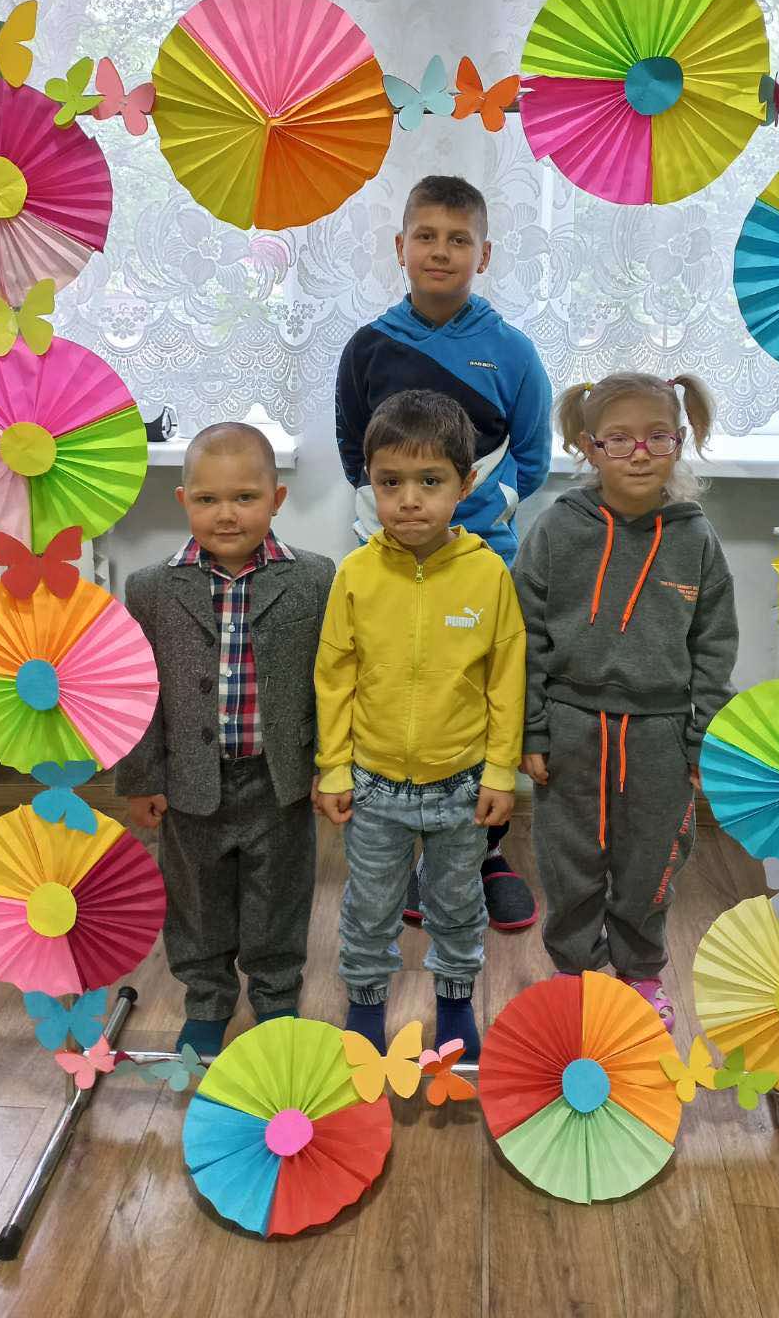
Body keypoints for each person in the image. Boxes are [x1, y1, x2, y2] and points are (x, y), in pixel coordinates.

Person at [334, 174, 550, 932]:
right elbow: (354, 454)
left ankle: (481, 851)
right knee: (396, 690)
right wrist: (399, 519)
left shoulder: (512, 352)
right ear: (400, 246)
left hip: (482, 558)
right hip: (387, 560)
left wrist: (476, 517)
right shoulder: (367, 348)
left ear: (483, 255)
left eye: (459, 239)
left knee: (476, 694)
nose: (440, 251)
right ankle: (396, 845)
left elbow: (533, 457)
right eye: (425, 236)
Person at [513, 373, 738, 1029]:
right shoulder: (557, 529)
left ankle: (640, 974)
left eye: (657, 437)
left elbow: (714, 644)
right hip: (570, 727)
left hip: (661, 736)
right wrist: (532, 729)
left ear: (680, 441)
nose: (640, 453)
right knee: (570, 863)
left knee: (651, 864)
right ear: (590, 448)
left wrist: (702, 738)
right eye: (619, 439)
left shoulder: (696, 538)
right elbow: (524, 634)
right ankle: (575, 973)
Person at [314, 390, 527, 1059]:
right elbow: (334, 677)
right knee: (369, 907)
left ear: (466, 484)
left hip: (462, 786)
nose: (409, 500)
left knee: (457, 905)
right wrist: (333, 767)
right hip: (373, 786)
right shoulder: (355, 575)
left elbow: (506, 680)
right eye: (390, 483)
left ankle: (456, 1003)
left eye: (430, 482)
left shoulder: (489, 575)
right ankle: (366, 1007)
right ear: (369, 485)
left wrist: (501, 772)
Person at [116, 423, 334, 1057]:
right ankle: (208, 998)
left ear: (277, 499)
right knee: (196, 899)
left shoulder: (315, 580)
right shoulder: (150, 589)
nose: (227, 514)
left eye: (245, 497)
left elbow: (332, 681)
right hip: (191, 780)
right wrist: (142, 779)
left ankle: (276, 995)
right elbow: (139, 692)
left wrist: (331, 767)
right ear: (183, 500)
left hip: (279, 780)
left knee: (279, 894)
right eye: (208, 499)